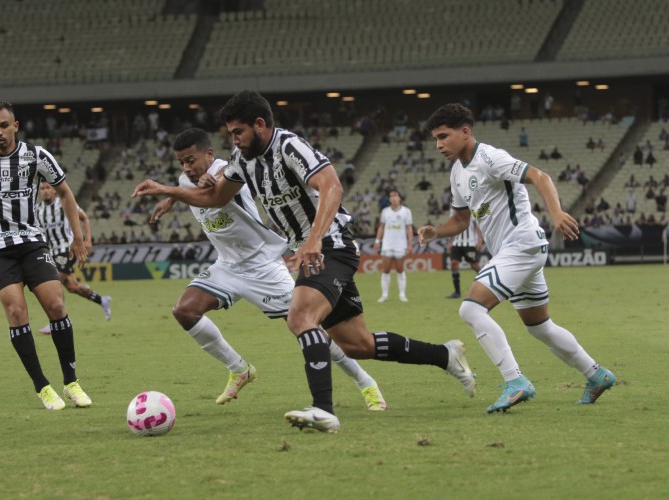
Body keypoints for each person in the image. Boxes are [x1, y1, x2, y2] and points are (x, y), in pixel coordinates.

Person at [133, 91, 476, 433]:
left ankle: (323, 409)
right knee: (357, 344)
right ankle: (445, 355)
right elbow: (214, 196)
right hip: (307, 248)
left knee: (301, 317)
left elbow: (331, 185)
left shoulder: (289, 147)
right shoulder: (243, 160)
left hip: (331, 243)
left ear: (260, 124)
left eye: (238, 132)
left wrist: (313, 240)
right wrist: (169, 192)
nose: (233, 140)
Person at [141, 128, 389, 411]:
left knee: (307, 329)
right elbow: (187, 185)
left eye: (191, 160)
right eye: (181, 163)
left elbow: (216, 189)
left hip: (264, 267)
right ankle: (239, 369)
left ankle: (365, 381)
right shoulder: (187, 178)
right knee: (184, 310)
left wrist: (175, 190)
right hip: (228, 266)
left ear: (210, 154)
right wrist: (171, 199)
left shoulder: (230, 169)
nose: (187, 168)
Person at [418, 103, 616, 414]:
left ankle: (515, 381)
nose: (439, 144)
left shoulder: (490, 158)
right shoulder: (458, 172)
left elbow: (539, 175)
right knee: (539, 327)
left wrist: (555, 213)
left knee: (471, 309)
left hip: (520, 244)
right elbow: (460, 221)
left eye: (444, 136)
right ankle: (596, 374)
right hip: (518, 251)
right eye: (436, 139)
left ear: (465, 132)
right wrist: (436, 233)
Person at [0, 101, 91, 411]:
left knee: (56, 304)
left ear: (15, 126)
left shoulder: (36, 156)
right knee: (16, 313)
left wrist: (77, 237)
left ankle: (71, 382)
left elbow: (65, 192)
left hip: (33, 243)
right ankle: (43, 387)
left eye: (3, 125)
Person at [36, 180, 112, 334]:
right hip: (51, 252)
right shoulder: (37, 210)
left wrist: (87, 239)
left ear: (54, 190)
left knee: (54, 282)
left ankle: (57, 321)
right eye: (42, 188)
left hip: (67, 249)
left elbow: (84, 218)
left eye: (48, 188)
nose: (45, 191)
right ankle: (102, 300)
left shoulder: (63, 203)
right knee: (72, 287)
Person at [373, 189, 413, 303]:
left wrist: (410, 244)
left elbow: (409, 228)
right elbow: (381, 227)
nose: (394, 198)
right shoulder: (385, 211)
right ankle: (384, 295)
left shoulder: (406, 211)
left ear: (399, 198)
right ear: (389, 199)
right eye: (391, 196)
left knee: (400, 269)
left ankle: (402, 295)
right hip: (387, 244)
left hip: (401, 245)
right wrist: (377, 241)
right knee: (386, 269)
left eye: (396, 195)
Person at [445, 213, 483, 299]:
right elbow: (452, 227)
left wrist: (479, 240)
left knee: (474, 265)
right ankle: (457, 292)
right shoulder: (453, 211)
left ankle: (487, 285)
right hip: (456, 243)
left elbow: (477, 226)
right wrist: (449, 242)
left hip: (470, 243)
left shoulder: (471, 209)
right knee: (454, 264)